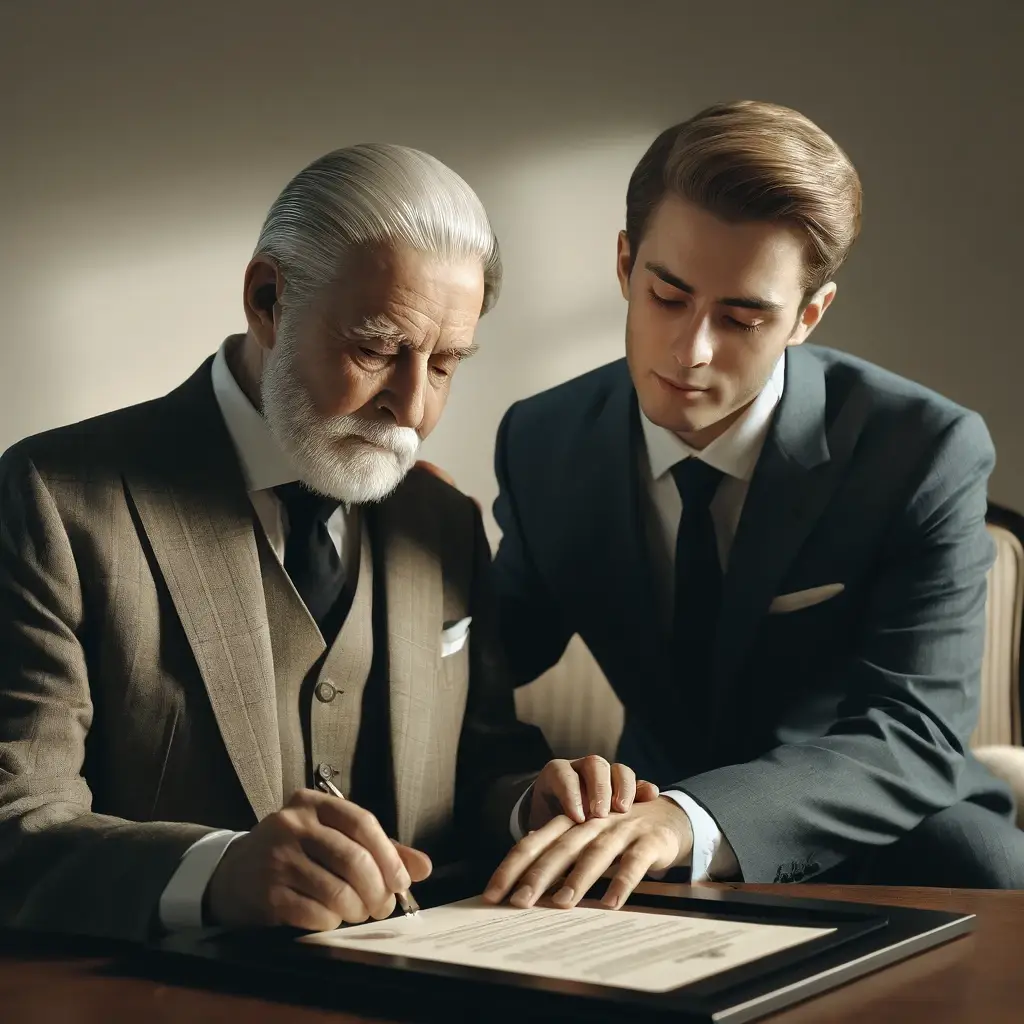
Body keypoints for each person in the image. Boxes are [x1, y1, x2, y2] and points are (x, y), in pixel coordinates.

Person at [0, 144, 653, 941]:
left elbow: (478, 766)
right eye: (377, 348)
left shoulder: (443, 521)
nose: (411, 407)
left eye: (445, 364)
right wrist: (215, 873)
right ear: (267, 298)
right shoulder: (53, 497)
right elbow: (17, 822)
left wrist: (529, 802)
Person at [478, 100, 1024, 911]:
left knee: (988, 866)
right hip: (638, 829)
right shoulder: (543, 440)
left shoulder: (924, 450)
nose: (692, 352)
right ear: (625, 264)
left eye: (742, 317)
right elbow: (481, 666)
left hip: (874, 826)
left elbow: (914, 731)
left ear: (808, 315)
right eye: (667, 296)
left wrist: (692, 821)